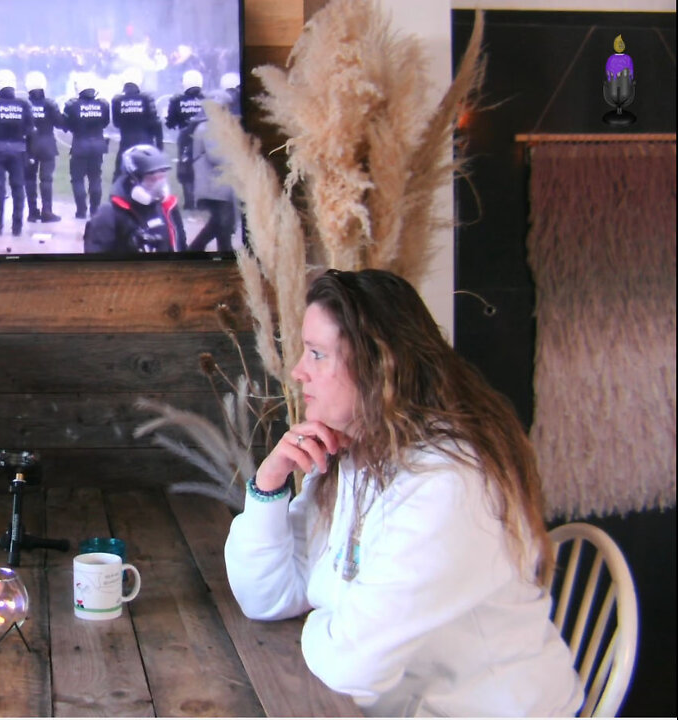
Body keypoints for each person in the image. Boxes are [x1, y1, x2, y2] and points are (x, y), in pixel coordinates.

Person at [224, 269, 583, 717]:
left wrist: (324, 620)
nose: (298, 372)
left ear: (379, 364)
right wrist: (269, 484)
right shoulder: (354, 454)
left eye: (317, 354)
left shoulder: (448, 483)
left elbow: (351, 667)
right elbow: (267, 597)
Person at [84, 143, 185, 254]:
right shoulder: (109, 214)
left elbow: (182, 248)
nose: (159, 186)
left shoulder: (168, 208)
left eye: (162, 178)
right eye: (152, 179)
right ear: (133, 180)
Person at [0, 69, 33, 237]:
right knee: (18, 188)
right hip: (19, 149)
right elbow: (30, 128)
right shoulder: (23, 104)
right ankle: (17, 227)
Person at [187, 108, 236, 252]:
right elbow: (216, 156)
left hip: (216, 183)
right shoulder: (210, 128)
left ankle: (220, 251)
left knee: (222, 222)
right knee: (223, 221)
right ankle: (197, 249)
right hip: (214, 184)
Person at [63, 75, 111, 220]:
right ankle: (95, 210)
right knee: (95, 178)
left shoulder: (72, 105)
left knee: (77, 179)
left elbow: (67, 125)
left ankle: (81, 211)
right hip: (98, 144)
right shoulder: (103, 104)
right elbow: (105, 123)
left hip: (80, 145)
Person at [22, 70, 64, 223]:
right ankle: (47, 211)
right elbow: (61, 123)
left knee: (29, 180)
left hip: (29, 146)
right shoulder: (50, 104)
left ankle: (33, 212)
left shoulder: (24, 105)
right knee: (46, 180)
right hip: (47, 144)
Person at [111, 67, 163, 180]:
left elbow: (116, 123)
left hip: (126, 143)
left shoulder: (117, 100)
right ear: (140, 82)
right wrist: (159, 146)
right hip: (146, 144)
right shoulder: (147, 98)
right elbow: (156, 123)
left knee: (119, 177)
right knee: (148, 178)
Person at [166, 69, 205, 211]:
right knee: (203, 168)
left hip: (186, 139)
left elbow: (170, 123)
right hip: (205, 138)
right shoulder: (207, 99)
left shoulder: (177, 100)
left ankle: (190, 202)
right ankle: (201, 201)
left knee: (185, 170)